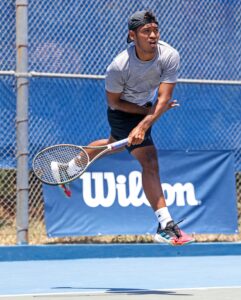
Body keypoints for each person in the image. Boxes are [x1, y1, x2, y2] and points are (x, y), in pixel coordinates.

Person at [54, 10, 194, 246]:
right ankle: (165, 225)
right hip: (122, 111)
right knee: (149, 160)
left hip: (147, 108)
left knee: (113, 145)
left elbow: (164, 97)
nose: (152, 35)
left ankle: (66, 168)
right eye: (146, 31)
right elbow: (114, 102)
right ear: (132, 36)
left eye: (155, 30)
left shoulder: (170, 55)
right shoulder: (119, 66)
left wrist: (148, 119)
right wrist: (144, 118)